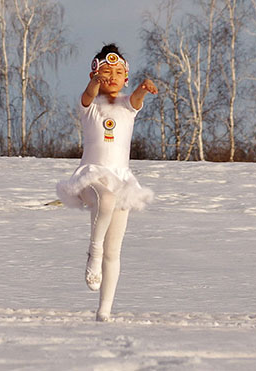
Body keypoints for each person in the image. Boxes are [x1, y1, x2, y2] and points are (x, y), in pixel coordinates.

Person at [56, 44, 157, 322]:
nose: (111, 77)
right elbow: (88, 96)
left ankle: (104, 311)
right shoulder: (90, 106)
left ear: (126, 77)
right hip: (91, 176)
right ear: (94, 74)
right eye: (105, 72)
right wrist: (92, 85)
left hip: (121, 178)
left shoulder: (127, 105)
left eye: (118, 72)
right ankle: (93, 250)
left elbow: (136, 100)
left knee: (115, 251)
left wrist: (144, 87)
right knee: (106, 201)